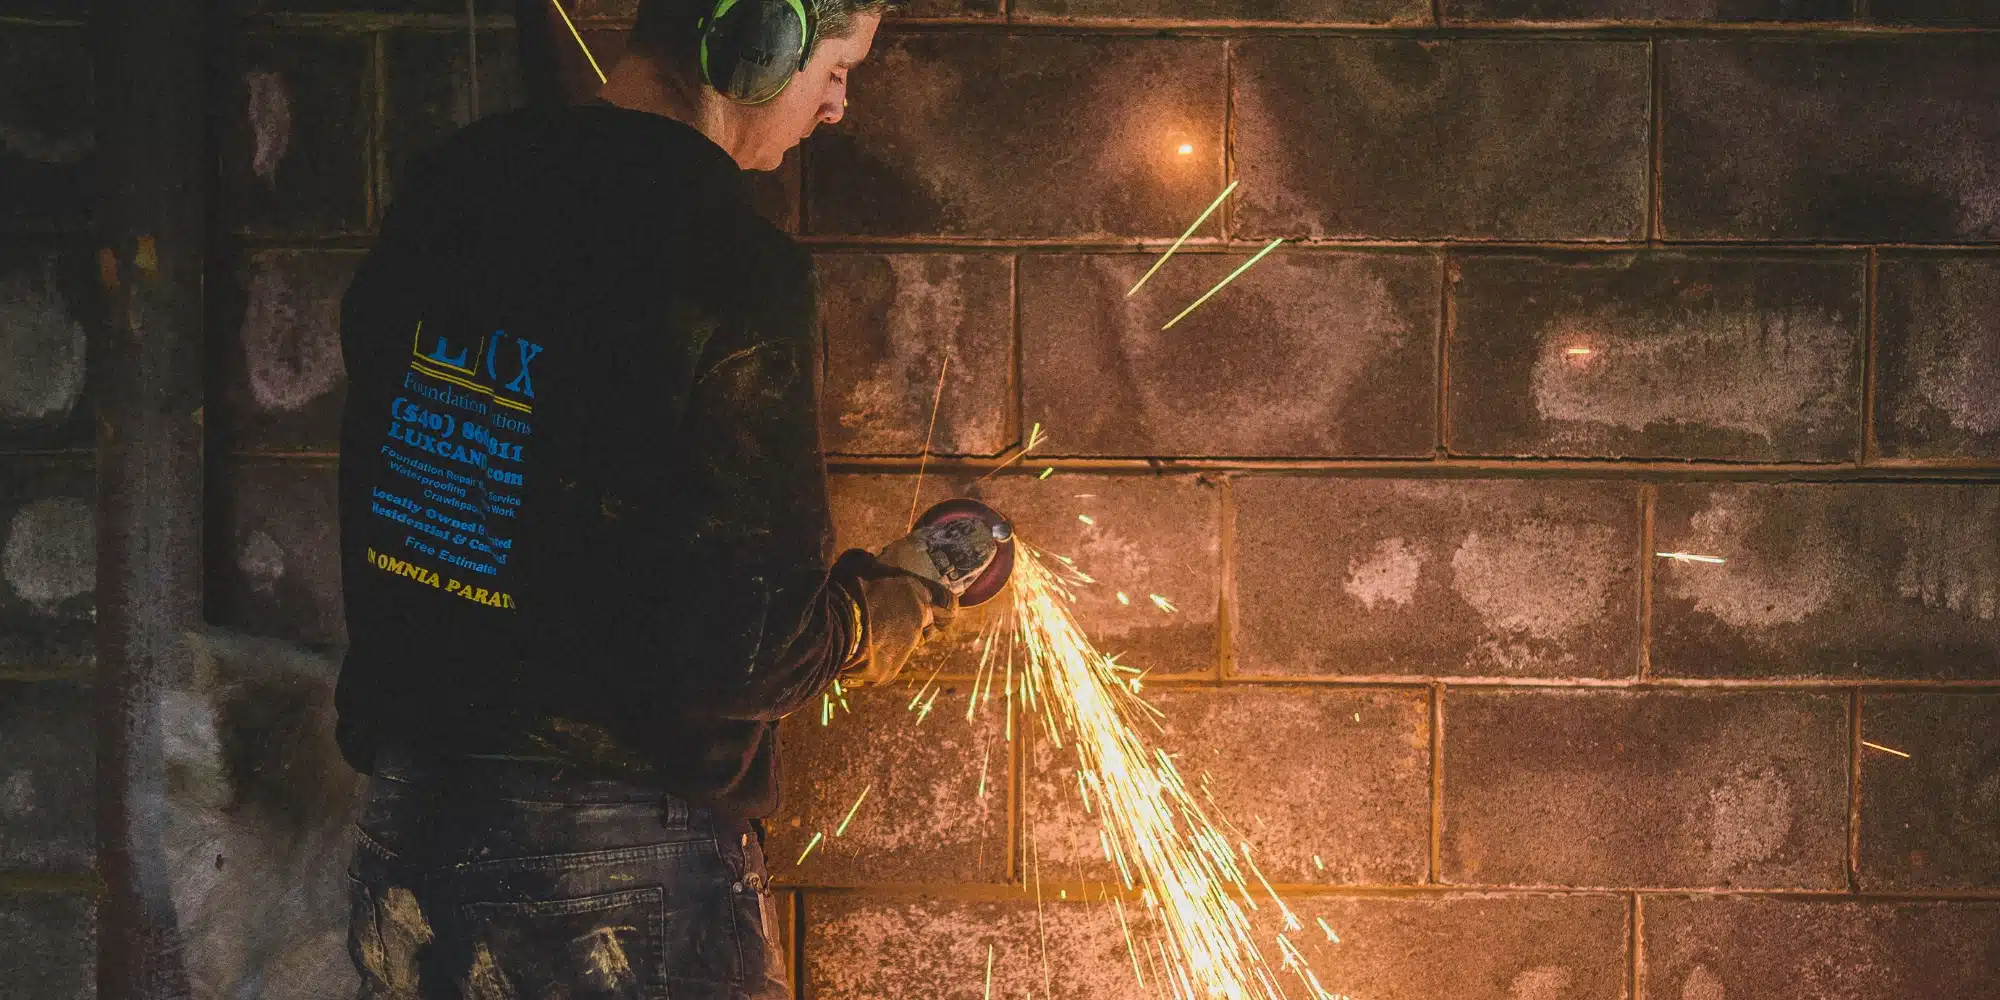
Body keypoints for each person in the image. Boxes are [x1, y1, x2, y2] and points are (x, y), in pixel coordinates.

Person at [332, 0, 964, 996]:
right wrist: (865, 613)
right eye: (836, 68)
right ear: (762, 44)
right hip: (610, 870)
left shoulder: (447, 196)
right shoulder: (732, 265)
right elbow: (747, 651)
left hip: (406, 832)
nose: (837, 107)